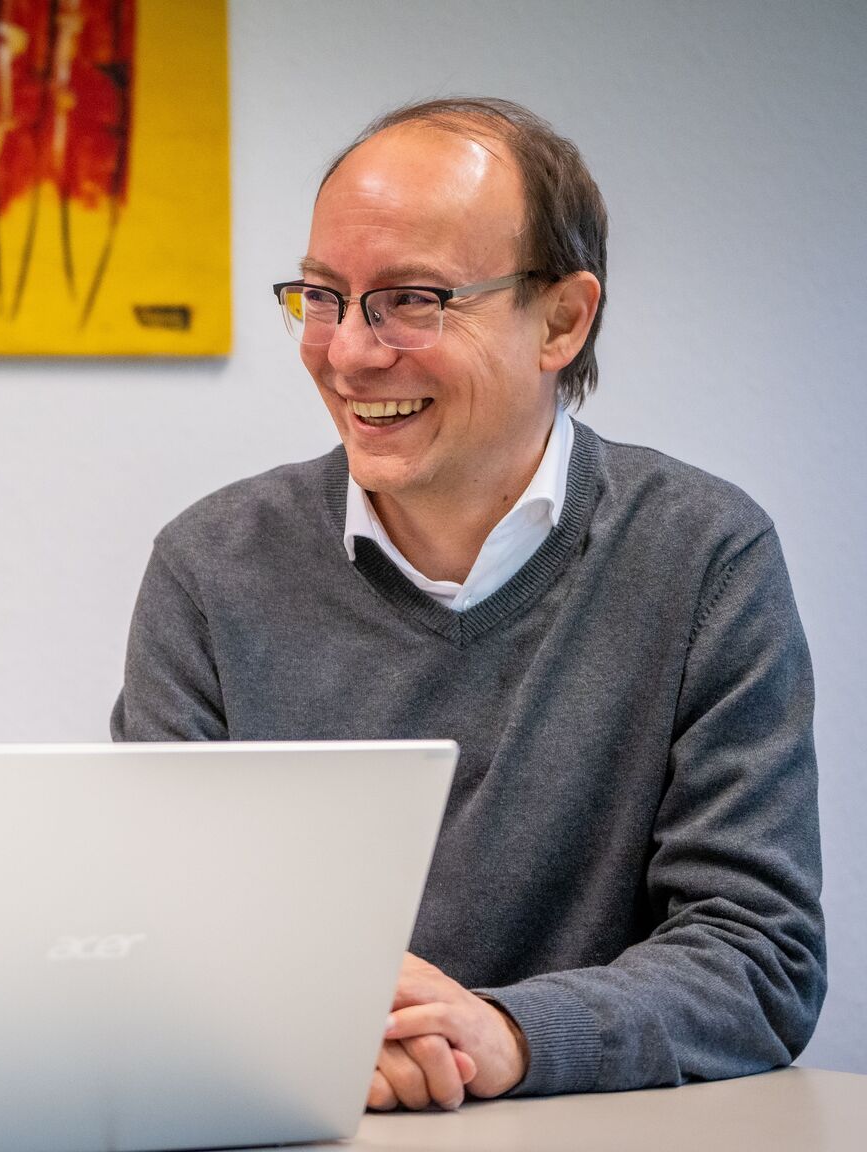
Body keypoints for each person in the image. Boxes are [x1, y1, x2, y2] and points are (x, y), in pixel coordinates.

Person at [112, 98, 823, 1111]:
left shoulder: (704, 556)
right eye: (321, 297)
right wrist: (324, 1029)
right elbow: (151, 935)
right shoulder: (208, 567)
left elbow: (756, 958)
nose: (348, 354)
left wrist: (503, 1036)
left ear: (562, 320)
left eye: (410, 300)